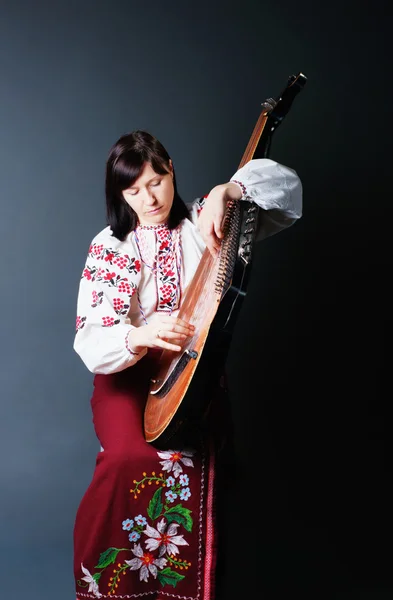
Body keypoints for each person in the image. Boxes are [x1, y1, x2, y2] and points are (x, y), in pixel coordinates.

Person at [73, 129, 302, 600]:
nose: (147, 198)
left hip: (190, 375)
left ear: (170, 169)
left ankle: (183, 591)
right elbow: (92, 339)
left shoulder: (206, 220)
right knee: (128, 460)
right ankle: (111, 591)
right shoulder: (110, 246)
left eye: (154, 181)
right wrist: (143, 333)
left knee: (199, 459)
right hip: (125, 376)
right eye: (132, 191)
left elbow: (285, 189)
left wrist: (230, 191)